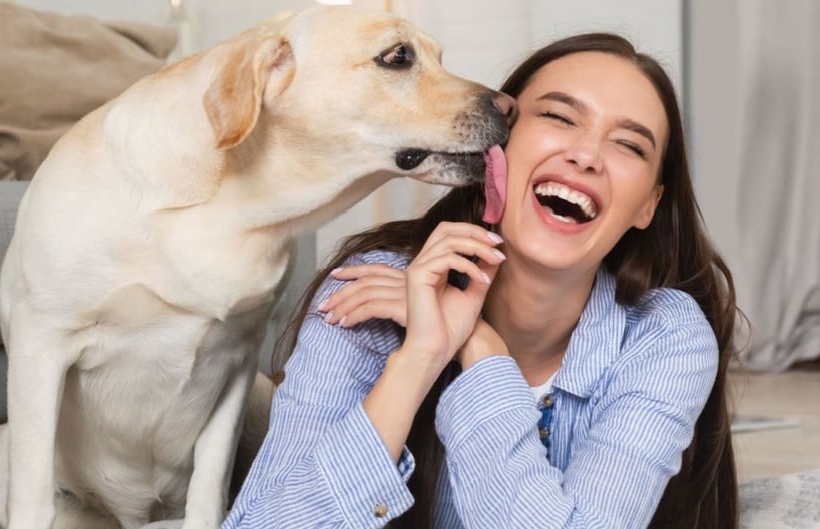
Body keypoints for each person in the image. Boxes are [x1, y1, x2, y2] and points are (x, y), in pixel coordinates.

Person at [223, 32, 739, 529]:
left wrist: (478, 349)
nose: (586, 155)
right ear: (495, 153)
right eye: (559, 117)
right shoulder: (370, 293)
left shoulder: (666, 336)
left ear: (648, 204)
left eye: (629, 145)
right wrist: (418, 359)